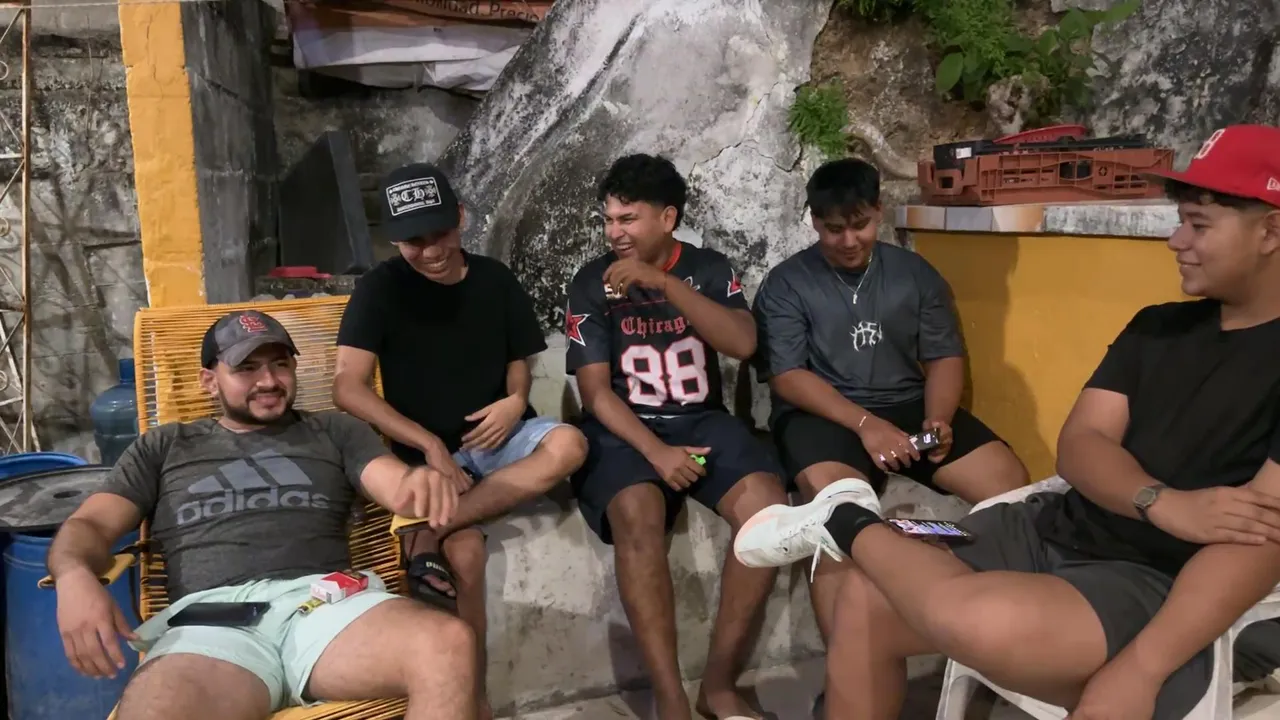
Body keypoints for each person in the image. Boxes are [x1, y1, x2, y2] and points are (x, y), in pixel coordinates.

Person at [733, 125, 1280, 720]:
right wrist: (1158, 501)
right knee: (866, 596)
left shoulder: (910, 275)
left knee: (970, 615)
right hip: (1057, 523)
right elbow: (1081, 444)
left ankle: (844, 520)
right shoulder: (1158, 326)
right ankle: (854, 524)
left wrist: (1144, 666)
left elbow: (1261, 543)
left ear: (1270, 231)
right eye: (1181, 221)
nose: (1176, 240)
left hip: (1154, 576)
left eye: (1198, 225)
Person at [47, 310, 475, 720]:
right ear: (209, 381)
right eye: (246, 368)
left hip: (326, 610)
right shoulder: (164, 446)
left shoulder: (337, 431)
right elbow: (90, 524)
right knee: (155, 710)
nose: (269, 381)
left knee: (447, 643)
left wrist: (418, 483)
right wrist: (73, 575)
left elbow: (397, 485)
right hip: (212, 629)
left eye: (280, 364)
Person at [333, 163, 587, 718]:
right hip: (425, 455)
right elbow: (347, 387)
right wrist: (429, 445)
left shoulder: (494, 279)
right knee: (465, 557)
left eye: (441, 233)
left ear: (462, 218)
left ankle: (434, 527)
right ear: (394, 241)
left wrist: (515, 400)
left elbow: (518, 358)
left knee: (569, 445)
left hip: (498, 440)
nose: (431, 251)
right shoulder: (379, 289)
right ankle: (473, 699)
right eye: (414, 242)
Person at [751, 157, 1028, 646]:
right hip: (823, 412)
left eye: (860, 225)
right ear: (814, 221)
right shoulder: (788, 282)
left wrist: (938, 418)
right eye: (834, 229)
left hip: (908, 404)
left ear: (879, 211)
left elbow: (944, 356)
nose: (849, 240)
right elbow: (788, 377)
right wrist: (865, 425)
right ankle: (847, 662)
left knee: (1012, 490)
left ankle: (999, 632)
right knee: (838, 516)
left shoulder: (915, 274)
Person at [565, 153, 789, 720]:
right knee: (636, 513)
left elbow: (742, 343)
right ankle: (670, 698)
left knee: (767, 511)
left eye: (628, 219)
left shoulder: (708, 269)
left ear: (668, 218)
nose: (614, 232)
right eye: (608, 219)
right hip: (624, 429)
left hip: (701, 419)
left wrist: (664, 283)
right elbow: (596, 394)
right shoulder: (591, 282)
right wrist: (656, 452)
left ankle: (718, 684)